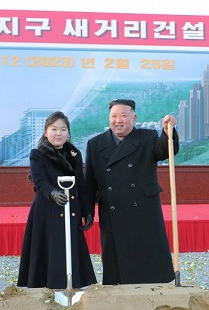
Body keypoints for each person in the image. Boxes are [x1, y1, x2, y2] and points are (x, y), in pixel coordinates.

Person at [85, 99, 179, 285]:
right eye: (114, 116)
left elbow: (165, 150)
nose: (118, 120)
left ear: (134, 118)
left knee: (149, 261)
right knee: (116, 267)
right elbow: (90, 182)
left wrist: (168, 132)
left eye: (123, 116)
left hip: (144, 209)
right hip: (113, 212)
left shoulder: (148, 137)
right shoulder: (96, 144)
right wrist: (87, 211)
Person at [18, 111, 97, 289]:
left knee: (71, 249)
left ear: (68, 132)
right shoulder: (38, 154)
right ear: (46, 132)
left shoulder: (74, 154)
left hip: (71, 210)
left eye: (63, 129)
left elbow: (81, 185)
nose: (58, 133)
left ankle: (72, 286)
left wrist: (88, 211)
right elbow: (40, 180)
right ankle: (48, 287)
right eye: (54, 129)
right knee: (50, 250)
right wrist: (53, 193)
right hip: (48, 211)